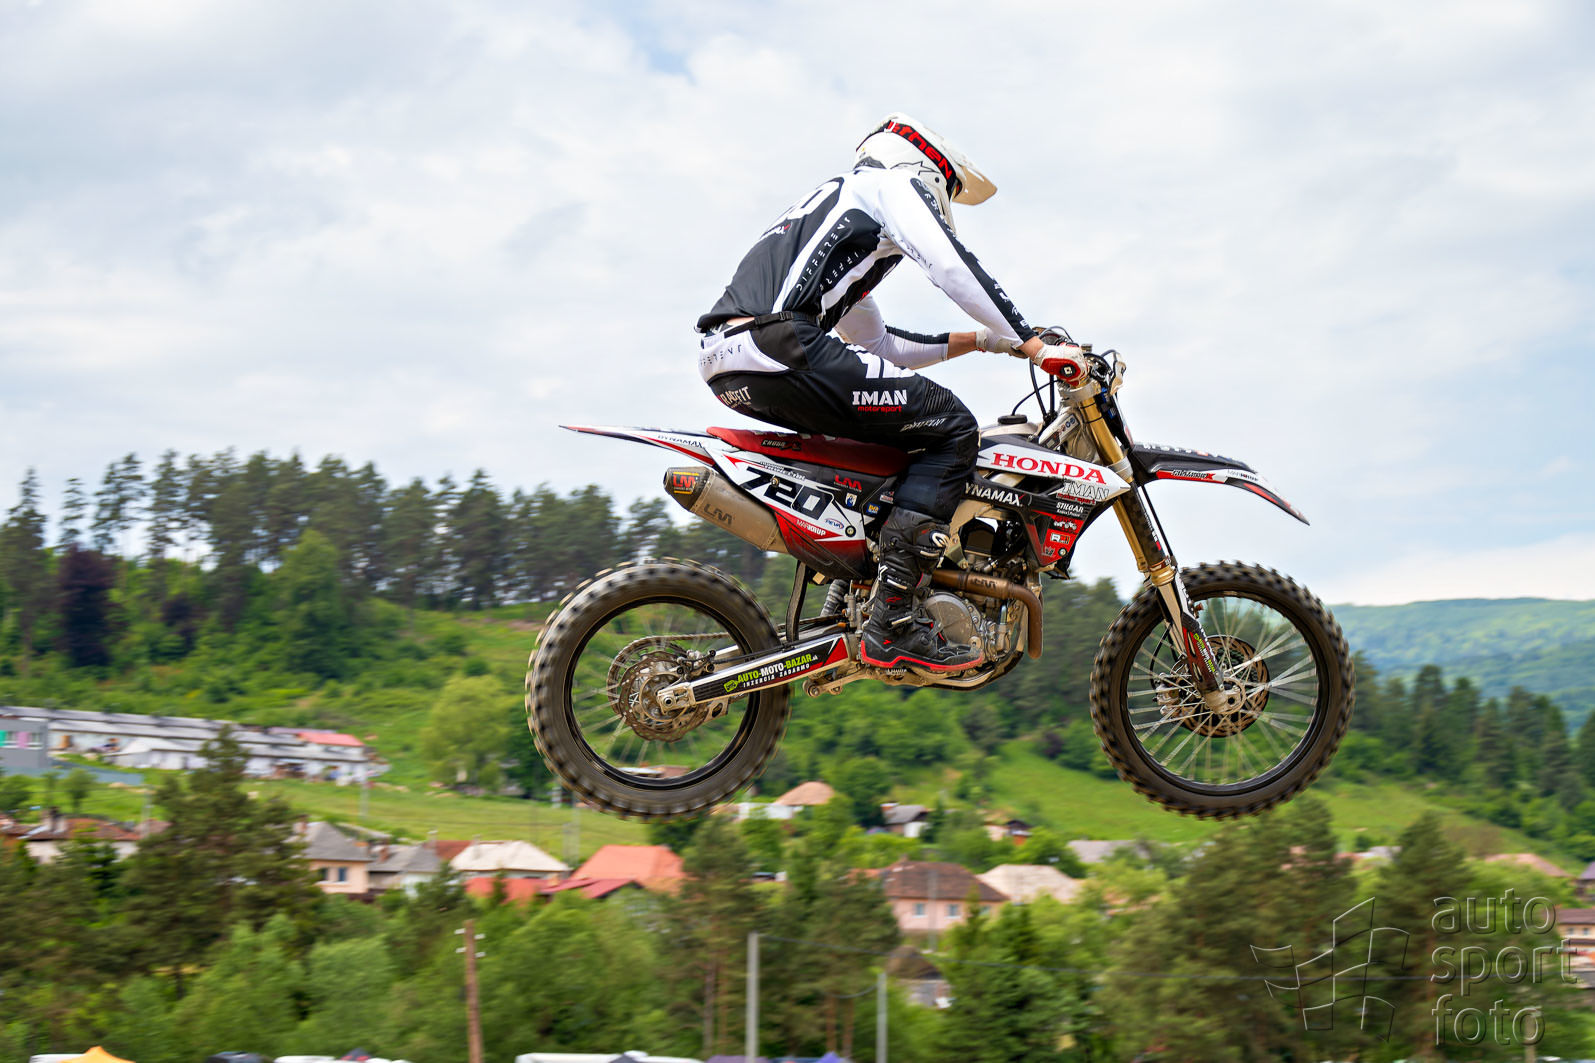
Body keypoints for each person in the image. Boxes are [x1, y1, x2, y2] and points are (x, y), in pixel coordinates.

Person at [695, 113, 1081, 672]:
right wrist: (1035, 344)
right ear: (930, 168)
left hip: (732, 358)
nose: (945, 204)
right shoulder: (891, 186)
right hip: (775, 343)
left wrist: (984, 341)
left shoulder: (843, 214)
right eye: (948, 191)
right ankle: (894, 620)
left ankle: (851, 595)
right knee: (953, 427)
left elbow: (880, 344)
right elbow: (951, 266)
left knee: (894, 432)